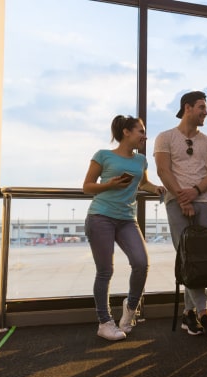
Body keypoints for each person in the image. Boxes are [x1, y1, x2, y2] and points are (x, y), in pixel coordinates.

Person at [83, 115, 166, 341]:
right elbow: (87, 187)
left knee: (141, 263)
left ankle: (130, 310)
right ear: (126, 132)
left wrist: (156, 188)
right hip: (101, 216)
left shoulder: (140, 160)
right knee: (105, 271)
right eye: (141, 131)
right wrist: (109, 184)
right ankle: (104, 322)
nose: (145, 135)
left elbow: (143, 183)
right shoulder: (103, 155)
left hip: (127, 219)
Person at [154, 91, 207, 339]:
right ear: (187, 108)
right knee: (187, 255)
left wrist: (193, 192)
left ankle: (188, 313)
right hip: (176, 202)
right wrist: (181, 197)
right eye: (202, 107)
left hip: (204, 200)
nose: (206, 112)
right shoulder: (165, 137)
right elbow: (163, 170)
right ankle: (204, 314)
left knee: (199, 258)